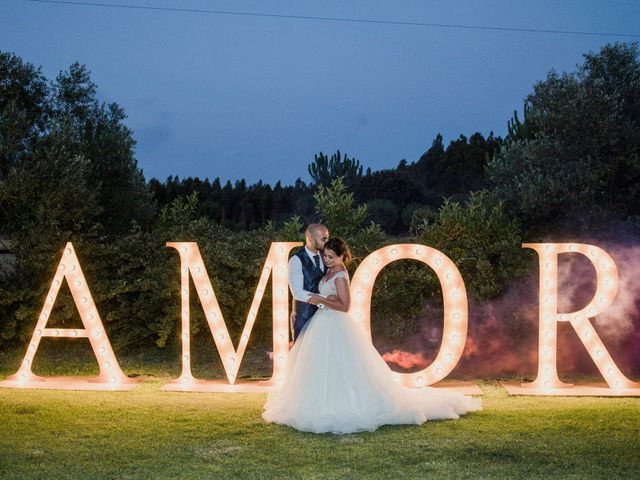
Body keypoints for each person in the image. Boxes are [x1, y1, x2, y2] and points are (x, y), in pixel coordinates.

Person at [263, 237, 482, 434]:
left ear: (341, 257)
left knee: (343, 366)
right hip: (321, 323)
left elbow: (345, 305)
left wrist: (320, 300)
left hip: (336, 323)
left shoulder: (340, 274)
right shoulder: (328, 271)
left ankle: (348, 403)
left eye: (331, 257)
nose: (327, 260)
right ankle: (320, 401)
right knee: (322, 366)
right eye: (325, 256)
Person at [287, 223, 329, 342]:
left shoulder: (326, 256)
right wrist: (327, 299)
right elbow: (297, 292)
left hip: (325, 316)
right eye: (323, 239)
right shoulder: (296, 260)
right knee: (303, 355)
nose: (327, 242)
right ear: (310, 239)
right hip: (304, 317)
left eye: (328, 238)